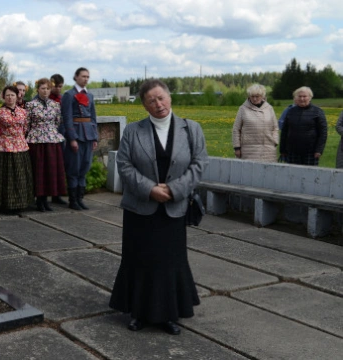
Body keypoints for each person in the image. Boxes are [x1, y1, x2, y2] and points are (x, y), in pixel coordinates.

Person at [110, 79, 207, 336]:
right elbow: (124, 165)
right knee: (139, 260)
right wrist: (150, 189)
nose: (158, 104)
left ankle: (168, 314)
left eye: (161, 97)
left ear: (170, 97)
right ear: (144, 105)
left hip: (174, 209)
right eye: (151, 100)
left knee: (169, 262)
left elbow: (198, 164)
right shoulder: (133, 131)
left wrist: (175, 190)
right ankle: (138, 313)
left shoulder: (191, 129)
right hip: (140, 209)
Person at [0, 85, 33, 213]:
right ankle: (6, 203)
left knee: (20, 175)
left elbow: (25, 128)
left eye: (12, 95)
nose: (10, 98)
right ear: (3, 97)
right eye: (7, 95)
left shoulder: (23, 112)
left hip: (20, 146)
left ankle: (21, 202)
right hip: (4, 146)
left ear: (17, 96)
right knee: (7, 177)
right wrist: (5, 138)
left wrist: (18, 138)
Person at [26, 78, 66, 212]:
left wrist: (49, 132)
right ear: (38, 89)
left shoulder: (55, 105)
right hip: (36, 141)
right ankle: (39, 200)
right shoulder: (30, 105)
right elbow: (27, 123)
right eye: (43, 88)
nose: (45, 91)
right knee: (39, 171)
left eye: (48, 89)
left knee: (50, 171)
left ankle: (47, 200)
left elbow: (58, 121)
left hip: (52, 141)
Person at [61, 67, 98, 210]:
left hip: (88, 135)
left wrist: (94, 137)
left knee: (84, 168)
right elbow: (67, 118)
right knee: (73, 169)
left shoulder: (90, 96)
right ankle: (73, 200)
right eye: (83, 76)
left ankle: (80, 198)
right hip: (76, 135)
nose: (86, 79)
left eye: (88, 77)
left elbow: (93, 118)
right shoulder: (69, 95)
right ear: (76, 77)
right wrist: (72, 138)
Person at [279, 87, 328, 166]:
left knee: (310, 175)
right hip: (292, 150)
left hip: (311, 151)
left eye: (304, 96)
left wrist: (319, 150)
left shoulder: (318, 112)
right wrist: (283, 150)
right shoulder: (290, 111)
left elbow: (323, 133)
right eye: (299, 96)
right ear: (296, 98)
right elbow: (284, 131)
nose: (302, 99)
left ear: (310, 97)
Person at [231, 84, 278, 162]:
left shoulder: (269, 108)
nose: (255, 99)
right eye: (252, 96)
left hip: (268, 150)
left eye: (257, 96)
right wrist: (237, 148)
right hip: (248, 151)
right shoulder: (243, 109)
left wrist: (275, 141)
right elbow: (236, 129)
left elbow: (275, 127)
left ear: (262, 96)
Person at [49, 73, 68, 205]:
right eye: (56, 86)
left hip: (61, 132)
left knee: (60, 166)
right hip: (48, 134)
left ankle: (57, 194)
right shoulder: (45, 98)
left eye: (60, 86)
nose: (58, 89)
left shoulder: (62, 99)